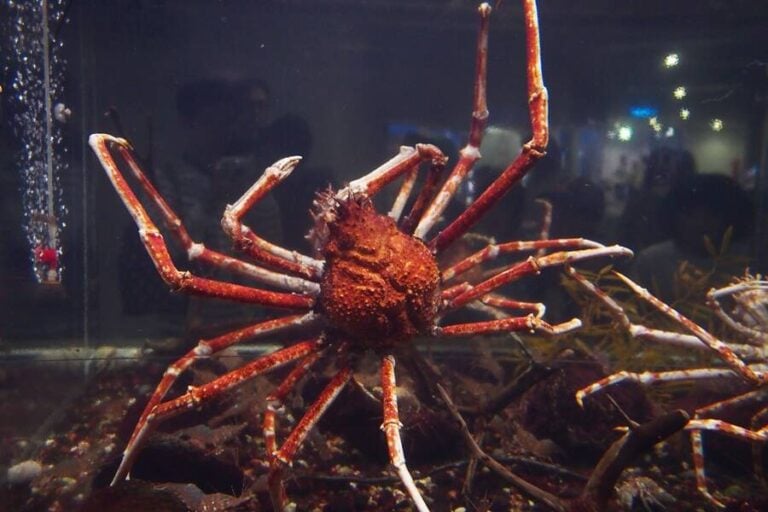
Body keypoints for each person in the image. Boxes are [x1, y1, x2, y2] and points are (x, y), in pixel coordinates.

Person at [632, 173, 755, 301]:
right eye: (690, 214)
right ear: (673, 215)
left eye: (711, 215)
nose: (700, 223)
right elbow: (633, 309)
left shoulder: (747, 261)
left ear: (730, 218)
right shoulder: (652, 261)